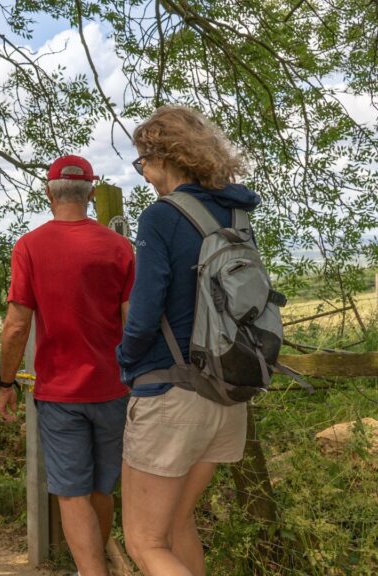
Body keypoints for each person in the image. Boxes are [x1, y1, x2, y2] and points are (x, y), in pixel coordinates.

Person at [117, 105, 256, 576]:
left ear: (164, 157)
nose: (144, 175)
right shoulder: (235, 213)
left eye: (144, 163)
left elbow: (144, 308)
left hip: (170, 394)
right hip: (227, 389)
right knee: (178, 524)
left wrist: (126, 362)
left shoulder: (162, 216)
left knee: (145, 542)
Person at [0, 155, 134, 576]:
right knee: (100, 489)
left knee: (72, 493)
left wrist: (5, 383)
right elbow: (133, 324)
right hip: (114, 388)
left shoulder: (30, 247)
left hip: (59, 393)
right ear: (92, 193)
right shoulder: (119, 247)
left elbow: (17, 326)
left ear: (48, 193)